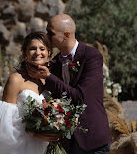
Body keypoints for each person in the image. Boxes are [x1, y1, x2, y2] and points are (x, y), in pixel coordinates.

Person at [28, 14, 111, 154]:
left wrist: (49, 77)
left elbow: (80, 97)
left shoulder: (91, 56)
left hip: (92, 140)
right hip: (67, 142)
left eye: (51, 33)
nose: (46, 37)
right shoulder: (54, 63)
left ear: (66, 34)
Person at [0, 31, 59, 154]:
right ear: (25, 53)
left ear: (49, 53)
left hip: (48, 145)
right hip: (22, 146)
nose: (38, 53)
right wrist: (34, 134)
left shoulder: (52, 79)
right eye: (32, 49)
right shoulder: (16, 79)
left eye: (42, 49)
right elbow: (4, 123)